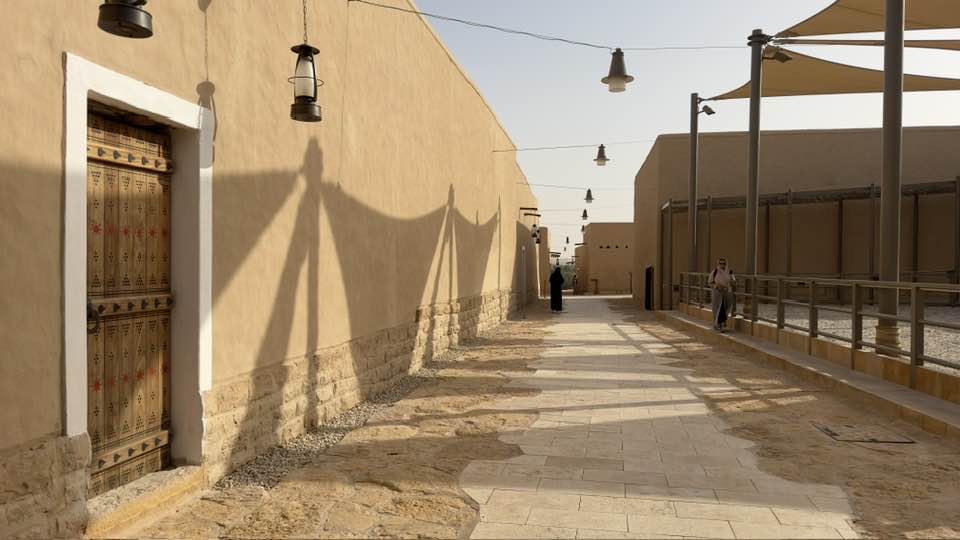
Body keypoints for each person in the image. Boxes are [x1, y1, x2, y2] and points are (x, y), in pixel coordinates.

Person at [708, 257, 736, 331]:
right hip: (718, 292)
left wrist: (730, 283)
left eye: (723, 263)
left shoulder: (730, 271)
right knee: (719, 308)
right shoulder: (715, 271)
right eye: (720, 263)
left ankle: (722, 323)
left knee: (727, 308)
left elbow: (733, 280)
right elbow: (710, 282)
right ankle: (719, 324)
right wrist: (717, 286)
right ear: (718, 264)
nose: (722, 265)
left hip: (727, 292)